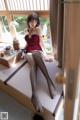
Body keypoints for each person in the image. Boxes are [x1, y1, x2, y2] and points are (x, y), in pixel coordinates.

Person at [23, 13, 56, 112]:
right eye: (31, 21)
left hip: (38, 50)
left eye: (35, 21)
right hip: (28, 51)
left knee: (36, 55)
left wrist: (46, 55)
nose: (33, 23)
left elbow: (41, 42)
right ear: (28, 21)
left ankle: (49, 82)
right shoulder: (26, 31)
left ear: (37, 22)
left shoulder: (38, 29)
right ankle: (34, 95)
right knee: (32, 63)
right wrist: (22, 51)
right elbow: (26, 44)